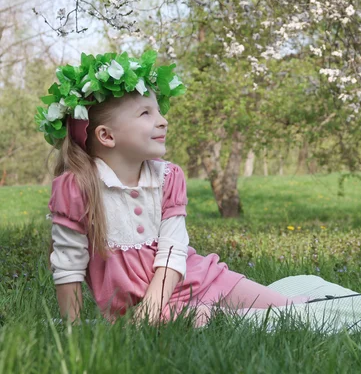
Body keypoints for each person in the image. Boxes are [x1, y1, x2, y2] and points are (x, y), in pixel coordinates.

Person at [39, 51, 309, 327]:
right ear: (107, 136)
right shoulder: (76, 188)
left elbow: (174, 247)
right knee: (225, 322)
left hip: (195, 278)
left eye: (159, 111)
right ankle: (206, 315)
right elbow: (68, 264)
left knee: (290, 311)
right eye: (146, 113)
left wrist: (154, 303)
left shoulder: (167, 176)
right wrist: (71, 329)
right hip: (142, 309)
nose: (162, 121)